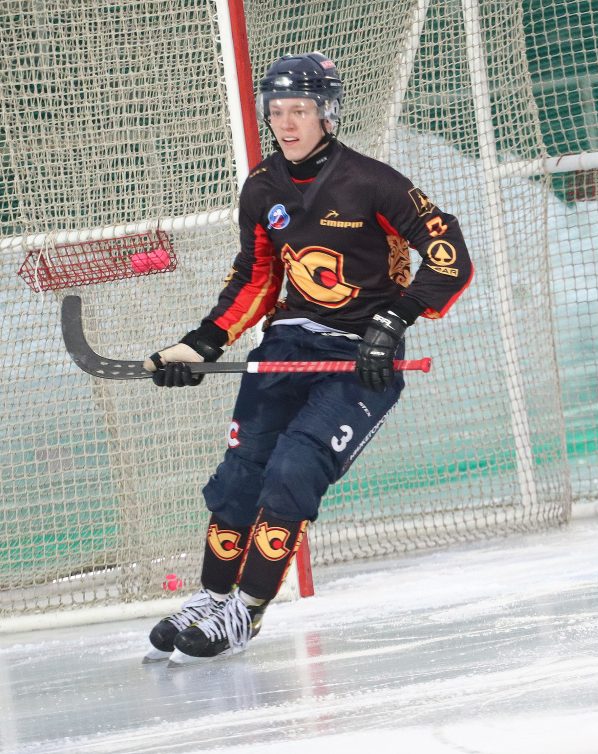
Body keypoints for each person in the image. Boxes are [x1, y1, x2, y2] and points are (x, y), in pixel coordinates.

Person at [142, 52, 473, 662]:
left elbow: (448, 252)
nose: (287, 123)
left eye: (299, 110)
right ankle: (212, 598)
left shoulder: (373, 182)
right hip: (288, 345)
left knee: (293, 467)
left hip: (361, 358)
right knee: (241, 474)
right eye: (276, 111)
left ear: (327, 113)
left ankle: (246, 610)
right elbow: (256, 276)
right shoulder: (262, 187)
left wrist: (394, 320)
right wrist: (204, 341)